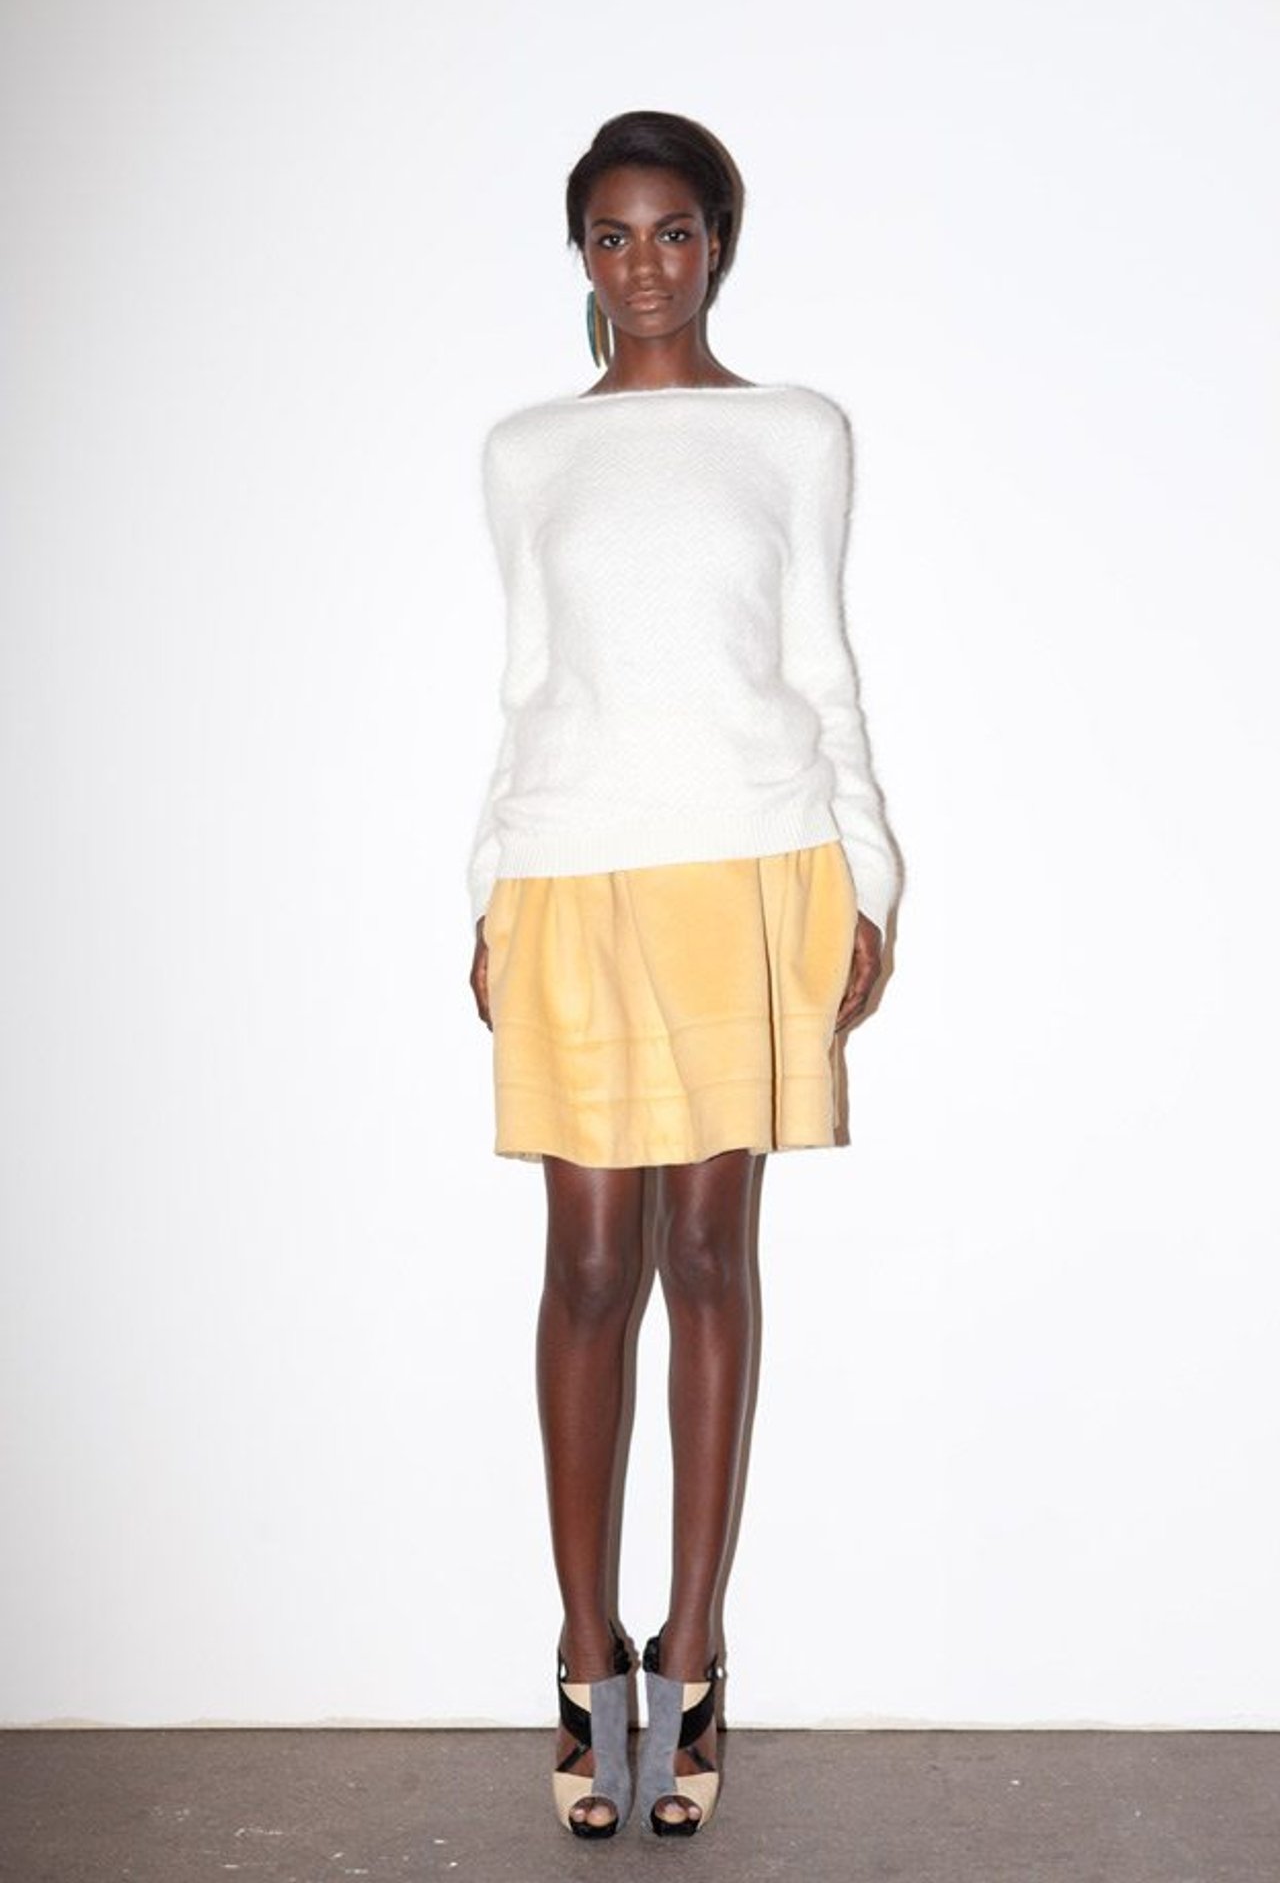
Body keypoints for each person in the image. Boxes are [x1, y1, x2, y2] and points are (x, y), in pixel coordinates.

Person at [465, 111, 899, 1840]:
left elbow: (820, 662)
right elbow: (527, 685)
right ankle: (589, 1656)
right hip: (570, 869)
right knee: (589, 1263)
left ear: (718, 240)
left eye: (670, 231)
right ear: (579, 255)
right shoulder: (526, 453)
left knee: (711, 1252)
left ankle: (695, 1651)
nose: (641, 263)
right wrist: (488, 889)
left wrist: (868, 873)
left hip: (753, 862)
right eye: (610, 235)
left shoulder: (794, 432)